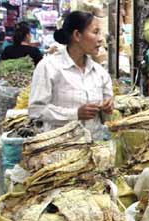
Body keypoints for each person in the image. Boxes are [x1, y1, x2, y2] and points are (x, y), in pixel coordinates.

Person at [28, 11, 113, 140]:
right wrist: (75, 114)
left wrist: (108, 109)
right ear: (77, 35)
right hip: (61, 149)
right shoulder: (49, 67)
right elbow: (36, 110)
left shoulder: (99, 72)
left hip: (94, 148)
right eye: (95, 32)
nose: (101, 39)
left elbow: (106, 117)